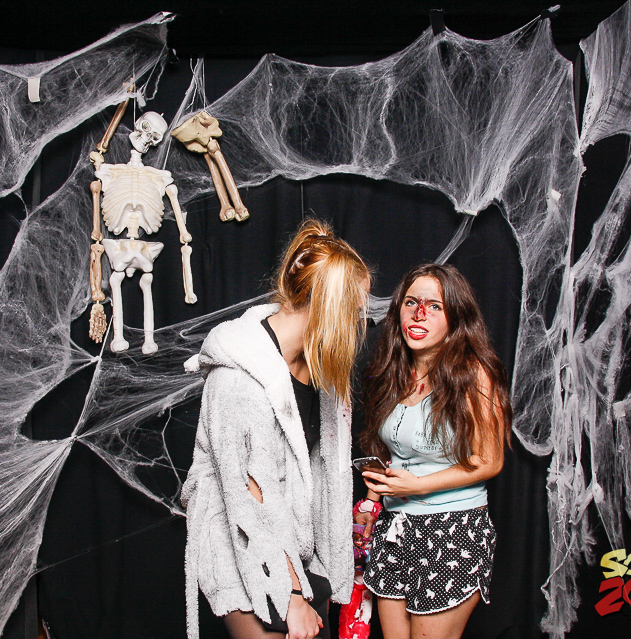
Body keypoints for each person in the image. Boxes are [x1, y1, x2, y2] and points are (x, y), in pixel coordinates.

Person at [182, 219, 372, 639]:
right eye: (354, 312)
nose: (359, 325)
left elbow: (322, 471)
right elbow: (250, 495)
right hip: (245, 550)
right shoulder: (239, 378)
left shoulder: (316, 372)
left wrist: (323, 570)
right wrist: (291, 595)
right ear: (328, 306)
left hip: (297, 550)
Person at [354, 263, 511, 639]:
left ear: (456, 316)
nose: (419, 313)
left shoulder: (473, 374)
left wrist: (418, 486)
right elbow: (395, 452)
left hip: (452, 530)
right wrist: (372, 501)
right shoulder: (393, 372)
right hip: (395, 528)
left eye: (434, 306)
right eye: (411, 302)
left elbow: (490, 461)